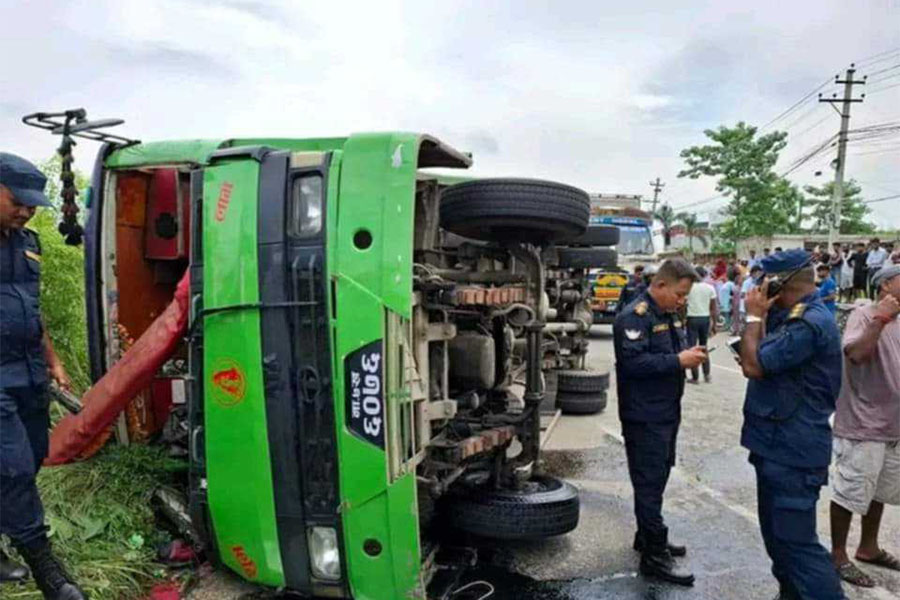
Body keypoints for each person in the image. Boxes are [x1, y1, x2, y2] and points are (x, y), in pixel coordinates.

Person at [0, 153, 86, 599]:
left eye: (33, 204)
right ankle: (46, 567)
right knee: (11, 466)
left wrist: (53, 362)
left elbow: (31, 311)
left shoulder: (28, 242)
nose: (27, 210)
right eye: (19, 201)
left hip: (30, 370)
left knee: (31, 457)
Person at [738, 249, 845, 600]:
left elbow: (755, 366)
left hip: (793, 451)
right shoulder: (790, 316)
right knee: (778, 541)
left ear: (779, 283)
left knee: (798, 545)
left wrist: (754, 319)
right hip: (775, 444)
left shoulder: (807, 322)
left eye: (762, 280)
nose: (756, 287)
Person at [614, 258, 706, 586]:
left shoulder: (666, 313)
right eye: (680, 294)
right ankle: (654, 557)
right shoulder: (634, 316)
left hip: (666, 411)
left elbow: (668, 352)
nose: (682, 300)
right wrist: (678, 360)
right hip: (644, 415)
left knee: (660, 473)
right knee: (649, 482)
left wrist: (685, 353)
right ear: (661, 285)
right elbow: (634, 362)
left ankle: (647, 535)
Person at [829, 264, 900, 587]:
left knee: (879, 489)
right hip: (863, 423)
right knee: (850, 490)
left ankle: (868, 547)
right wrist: (881, 318)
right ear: (885, 285)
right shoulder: (863, 314)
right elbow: (856, 353)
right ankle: (838, 555)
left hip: (892, 425)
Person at [685, 267, 718, 383]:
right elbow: (714, 308)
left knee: (693, 347)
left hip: (692, 318)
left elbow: (683, 305)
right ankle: (707, 374)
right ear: (704, 275)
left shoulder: (689, 288)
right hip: (705, 319)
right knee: (704, 346)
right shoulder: (710, 288)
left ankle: (695, 377)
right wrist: (714, 324)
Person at [739, 264, 763, 329]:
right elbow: (742, 295)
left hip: (752, 309)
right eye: (758, 273)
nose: (759, 275)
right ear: (753, 273)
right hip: (744, 309)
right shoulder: (747, 282)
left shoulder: (756, 282)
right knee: (744, 327)